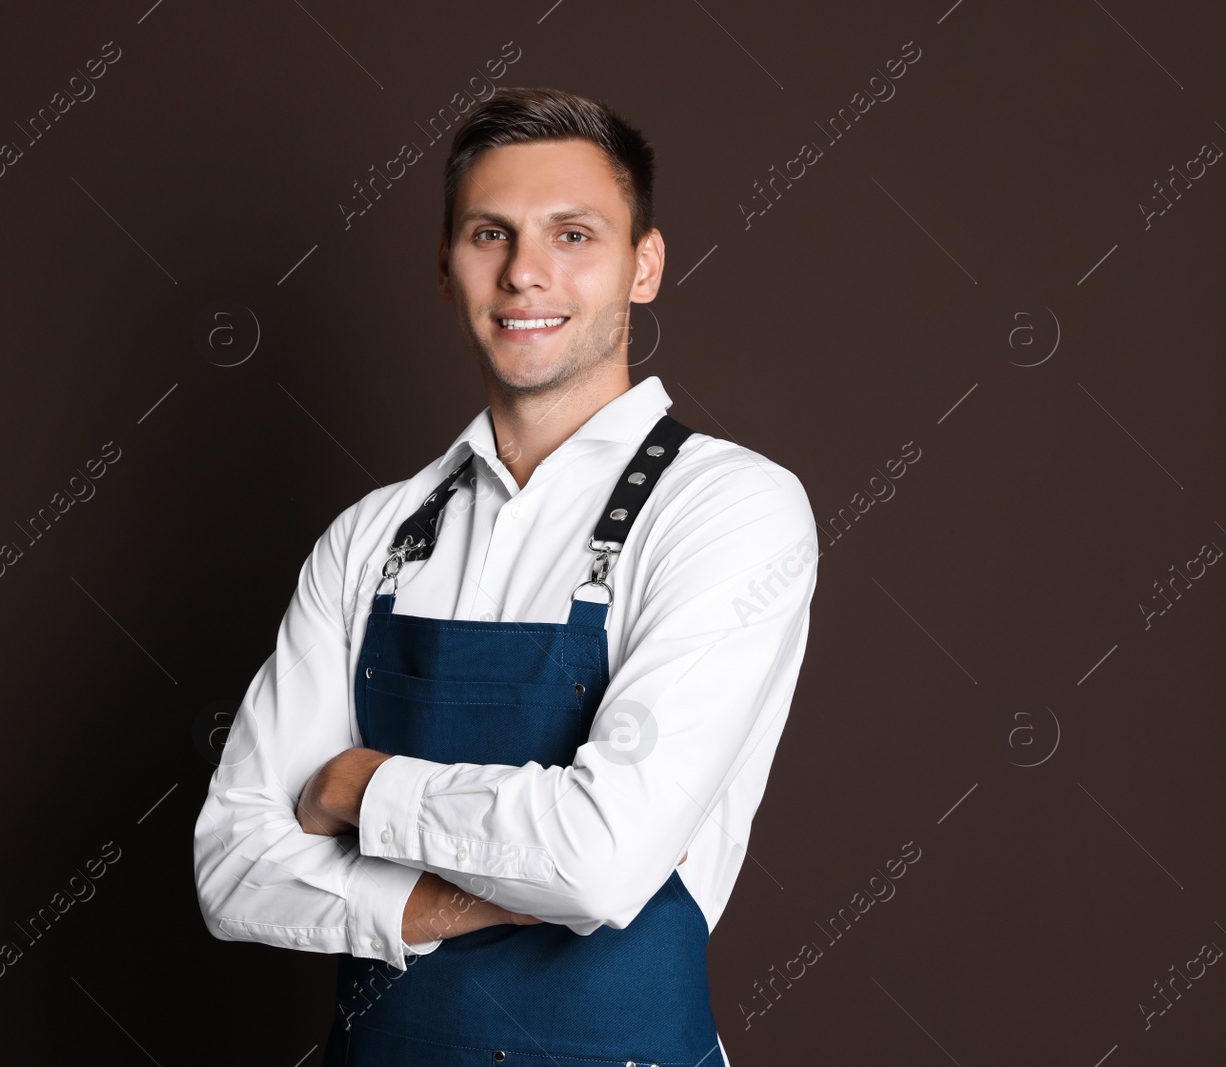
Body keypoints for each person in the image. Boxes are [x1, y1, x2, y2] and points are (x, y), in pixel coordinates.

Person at [192, 86, 819, 1066]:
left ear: (642, 266)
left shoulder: (729, 508)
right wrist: (442, 899)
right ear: (447, 271)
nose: (526, 272)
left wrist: (361, 785)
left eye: (573, 234)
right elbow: (233, 866)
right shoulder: (369, 537)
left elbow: (598, 860)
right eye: (490, 234)